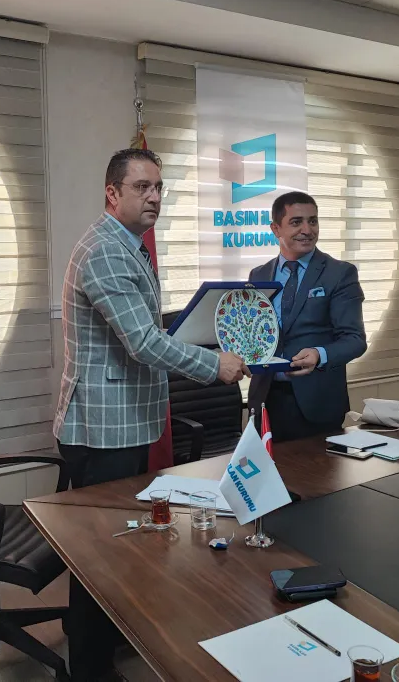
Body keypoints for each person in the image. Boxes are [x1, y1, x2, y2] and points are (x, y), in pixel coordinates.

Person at [54, 148, 249, 681]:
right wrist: (212, 363)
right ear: (112, 193)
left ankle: (102, 639)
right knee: (99, 555)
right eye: (142, 187)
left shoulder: (128, 244)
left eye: (159, 187)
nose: (155, 197)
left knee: (115, 549)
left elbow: (146, 331)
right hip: (103, 431)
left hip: (125, 423)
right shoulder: (107, 251)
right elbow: (142, 342)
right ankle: (89, 670)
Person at [248, 191, 367, 442]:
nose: (307, 230)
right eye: (296, 222)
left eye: (312, 221)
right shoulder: (258, 275)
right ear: (276, 228)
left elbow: (355, 340)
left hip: (317, 403)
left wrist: (319, 354)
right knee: (266, 468)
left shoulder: (339, 273)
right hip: (266, 399)